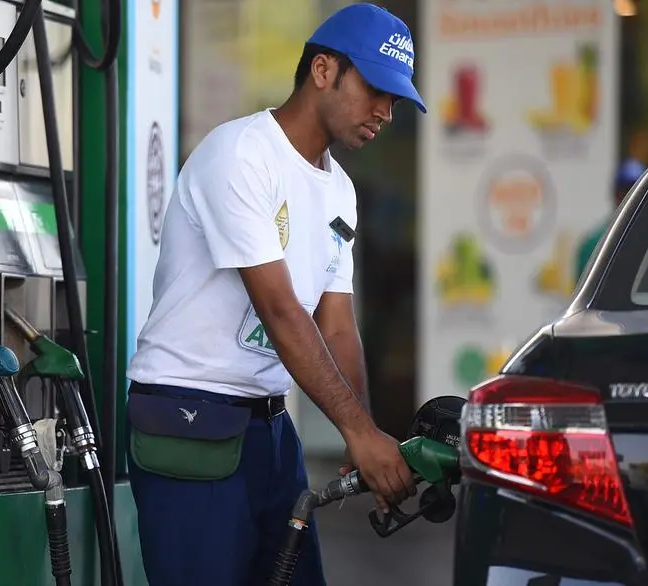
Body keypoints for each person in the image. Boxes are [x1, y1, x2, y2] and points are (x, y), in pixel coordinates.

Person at [124, 4, 426, 585]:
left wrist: (356, 432)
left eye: (397, 101)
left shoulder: (339, 189)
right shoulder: (240, 154)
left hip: (269, 426)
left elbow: (336, 322)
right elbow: (283, 311)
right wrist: (362, 434)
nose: (386, 112)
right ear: (322, 70)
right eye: (376, 91)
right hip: (190, 416)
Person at [574, 157, 645, 282]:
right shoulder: (594, 244)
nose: (633, 198)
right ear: (616, 194)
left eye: (640, 192)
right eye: (627, 191)